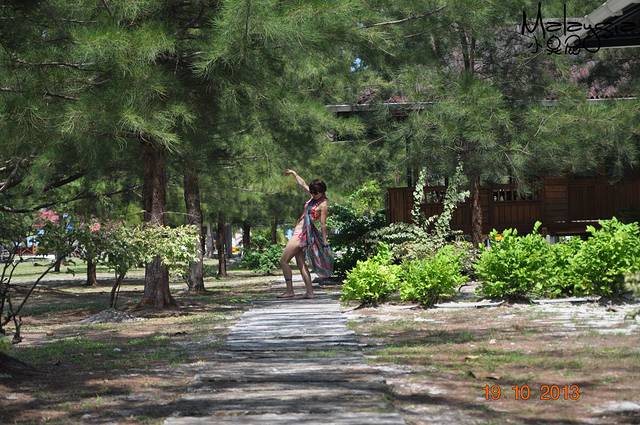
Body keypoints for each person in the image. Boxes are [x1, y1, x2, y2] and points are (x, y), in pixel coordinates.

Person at [278, 169, 333, 299]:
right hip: (299, 231)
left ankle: (290, 291)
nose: (313, 194)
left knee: (283, 261)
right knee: (301, 263)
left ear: (322, 191)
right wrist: (294, 174)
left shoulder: (323, 204)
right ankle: (310, 292)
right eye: (312, 192)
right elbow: (303, 184)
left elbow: (323, 224)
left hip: (301, 234)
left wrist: (325, 241)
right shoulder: (314, 196)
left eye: (315, 193)